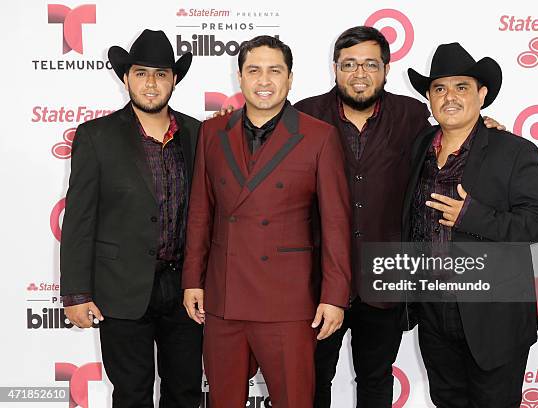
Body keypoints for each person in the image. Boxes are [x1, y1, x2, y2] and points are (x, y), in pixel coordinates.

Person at [295, 27, 504, 408]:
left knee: (376, 379)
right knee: (312, 380)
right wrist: (228, 117)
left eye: (371, 64)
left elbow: (454, 135)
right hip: (319, 280)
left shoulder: (411, 116)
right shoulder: (305, 115)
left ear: (387, 69)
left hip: (386, 276)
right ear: (335, 68)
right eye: (350, 64)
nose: (360, 73)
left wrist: (485, 126)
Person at [181, 35, 351, 408]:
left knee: (294, 400)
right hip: (225, 296)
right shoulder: (212, 133)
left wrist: (335, 296)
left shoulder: (319, 136)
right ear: (239, 77)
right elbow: (200, 212)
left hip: (288, 301)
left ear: (290, 79)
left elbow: (336, 222)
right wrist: (193, 279)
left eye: (275, 70)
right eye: (253, 70)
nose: (264, 80)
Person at [402, 42, 538, 407]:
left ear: (482, 95)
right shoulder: (418, 146)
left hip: (493, 319)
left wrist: (471, 215)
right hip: (433, 312)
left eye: (461, 87)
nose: (449, 96)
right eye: (439, 88)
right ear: (429, 97)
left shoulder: (515, 151)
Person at [60, 29, 203, 407]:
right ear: (126, 78)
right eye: (141, 73)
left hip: (185, 290)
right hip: (120, 289)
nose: (151, 83)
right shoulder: (96, 136)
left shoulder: (198, 133)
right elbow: (79, 219)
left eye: (161, 74)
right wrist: (76, 292)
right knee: (131, 395)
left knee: (186, 393)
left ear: (174, 80)